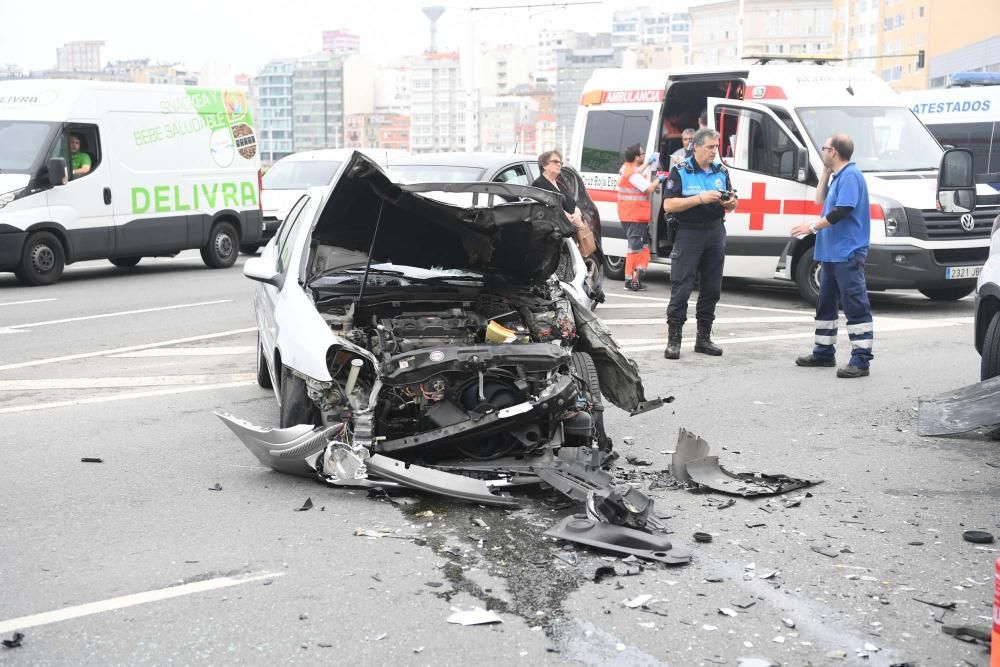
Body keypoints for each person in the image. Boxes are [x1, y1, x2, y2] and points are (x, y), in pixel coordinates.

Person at [790, 134, 873, 378]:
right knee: (825, 305)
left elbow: (842, 211)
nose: (822, 151)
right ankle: (824, 352)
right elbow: (819, 200)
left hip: (847, 252)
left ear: (834, 151)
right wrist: (825, 174)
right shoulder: (838, 176)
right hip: (831, 254)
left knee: (855, 304)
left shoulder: (851, 176)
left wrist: (812, 227)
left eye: (825, 148)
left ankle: (861, 359)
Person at [661, 128, 737, 359]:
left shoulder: (721, 171)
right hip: (689, 233)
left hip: (715, 231)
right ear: (696, 147)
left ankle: (703, 339)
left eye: (717, 147)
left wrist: (730, 203)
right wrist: (700, 199)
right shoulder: (681, 170)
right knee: (682, 286)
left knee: (712, 288)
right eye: (711, 147)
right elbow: (669, 205)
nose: (715, 151)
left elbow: (732, 203)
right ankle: (674, 340)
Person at [617, 143, 662, 291]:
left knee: (644, 246)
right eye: (642, 155)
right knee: (635, 248)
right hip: (634, 215)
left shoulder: (627, 168)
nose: (644, 156)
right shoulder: (633, 175)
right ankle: (630, 281)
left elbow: (636, 172)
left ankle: (639, 274)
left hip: (631, 215)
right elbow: (648, 188)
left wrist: (648, 164)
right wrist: (660, 180)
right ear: (637, 157)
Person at [532, 149, 585, 231]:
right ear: (544, 165)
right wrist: (576, 222)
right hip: (554, 235)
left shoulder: (560, 184)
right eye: (555, 161)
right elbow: (553, 210)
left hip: (569, 232)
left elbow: (573, 204)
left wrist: (578, 214)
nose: (559, 164)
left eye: (561, 162)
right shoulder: (539, 184)